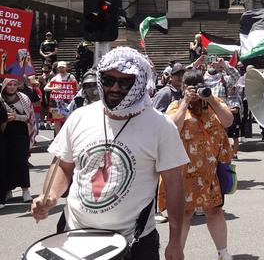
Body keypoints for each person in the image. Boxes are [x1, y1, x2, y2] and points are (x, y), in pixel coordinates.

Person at [31, 46, 189, 260]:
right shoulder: (80, 117)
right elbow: (63, 164)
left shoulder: (160, 126)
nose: (115, 88)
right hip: (74, 235)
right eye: (107, 80)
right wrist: (49, 195)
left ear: (140, 83)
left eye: (125, 82)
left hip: (135, 241)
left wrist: (175, 242)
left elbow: (174, 185)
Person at [157, 69, 235, 260]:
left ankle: (223, 253)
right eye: (188, 87)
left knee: (214, 211)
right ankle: (177, 253)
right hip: (182, 171)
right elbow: (172, 127)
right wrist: (185, 102)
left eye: (197, 86)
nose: (194, 92)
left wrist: (210, 99)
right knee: (184, 213)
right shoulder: (176, 105)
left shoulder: (214, 102)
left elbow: (228, 121)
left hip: (211, 171)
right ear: (183, 88)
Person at [1, 78, 36, 203]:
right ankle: (7, 190)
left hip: (21, 132)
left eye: (14, 84)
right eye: (9, 84)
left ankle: (25, 190)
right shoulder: (0, 97)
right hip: (4, 132)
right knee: (6, 162)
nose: (12, 87)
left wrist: (16, 117)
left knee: (21, 161)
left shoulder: (23, 98)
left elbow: (29, 117)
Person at [44, 61, 77, 136]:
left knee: (67, 120)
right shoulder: (55, 77)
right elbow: (45, 88)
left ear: (66, 67)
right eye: (59, 67)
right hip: (57, 102)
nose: (61, 69)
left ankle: (67, 136)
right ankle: (58, 137)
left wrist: (75, 83)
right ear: (57, 68)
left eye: (62, 67)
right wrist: (55, 88)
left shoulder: (71, 76)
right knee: (57, 121)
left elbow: (76, 88)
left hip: (68, 102)